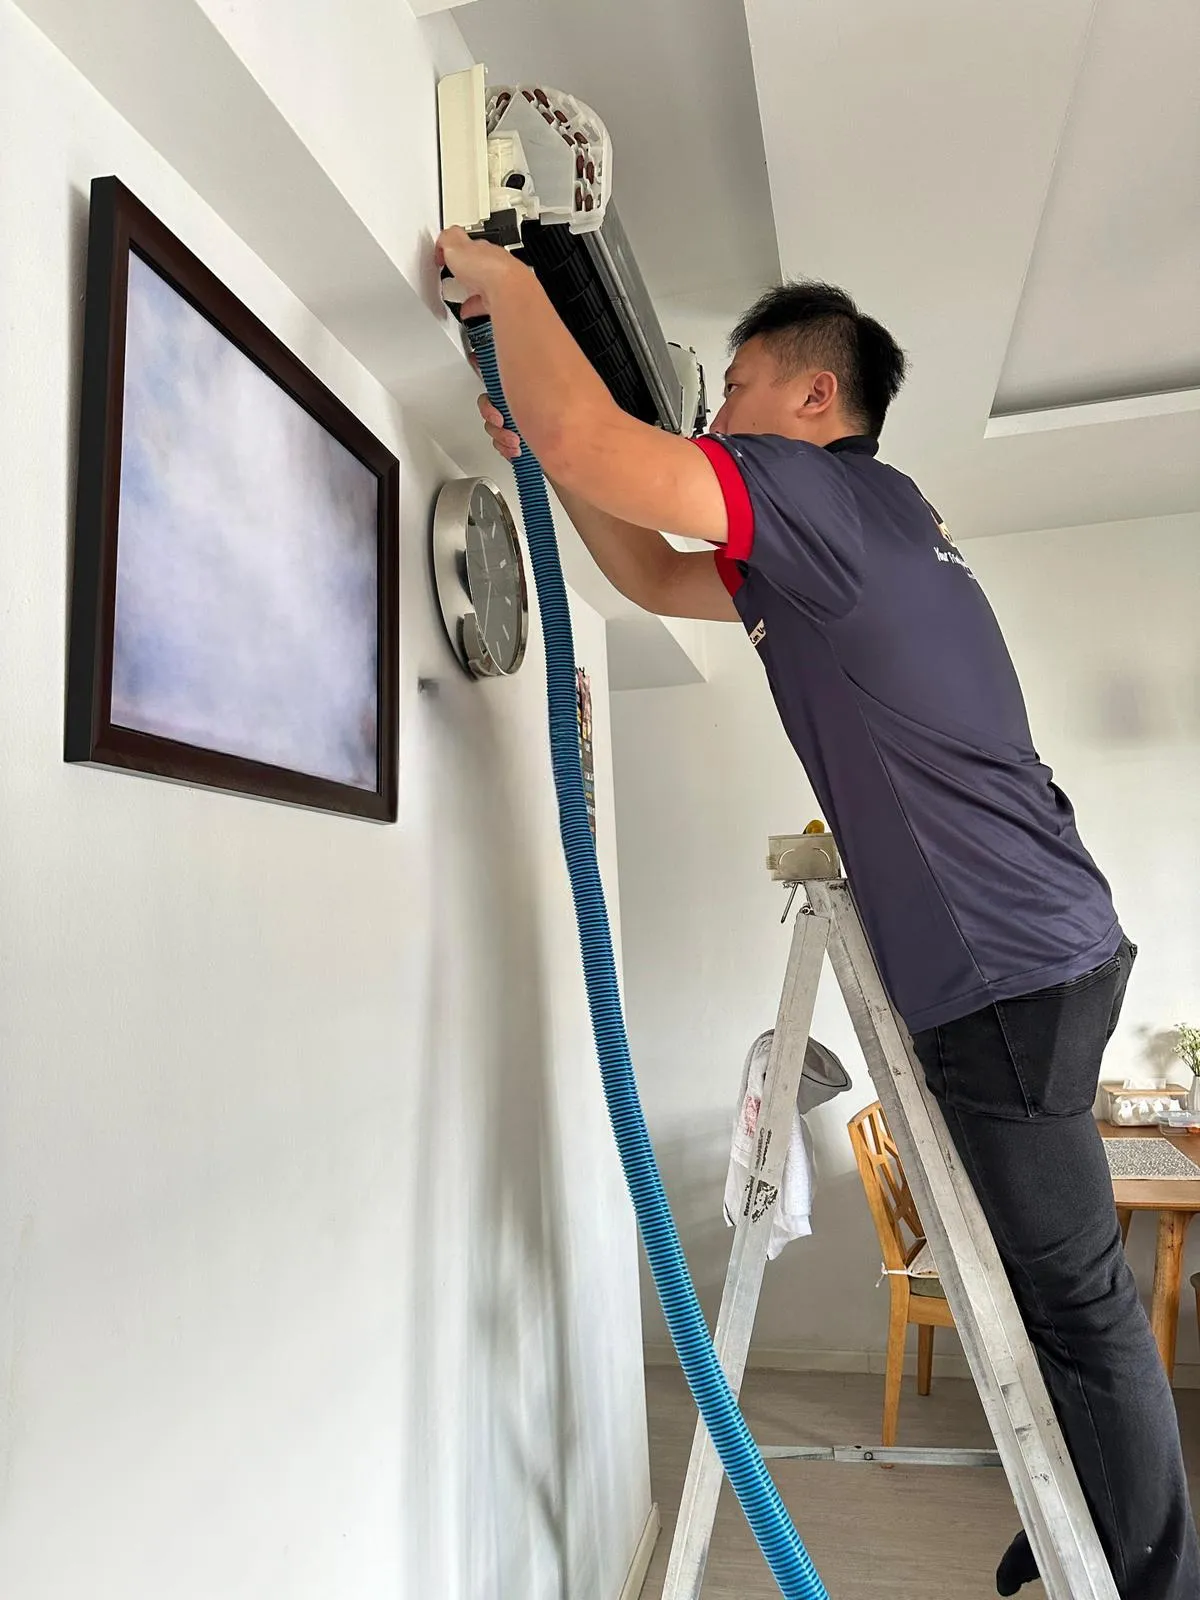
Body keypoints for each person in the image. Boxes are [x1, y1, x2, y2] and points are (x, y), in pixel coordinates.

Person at [436, 226, 1200, 1600]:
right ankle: (1088, 1511)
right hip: (1043, 944)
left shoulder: (818, 494)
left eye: (731, 388)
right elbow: (647, 570)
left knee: (1079, 1303)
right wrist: (550, 450)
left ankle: (1150, 1579)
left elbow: (611, 448)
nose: (715, 417)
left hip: (1003, 962)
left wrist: (512, 290)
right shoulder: (868, 527)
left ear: (810, 398)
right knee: (1054, 1287)